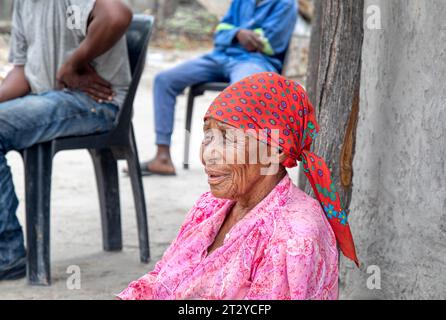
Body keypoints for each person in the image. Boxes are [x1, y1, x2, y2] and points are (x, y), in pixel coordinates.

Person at [117, 72, 359, 300]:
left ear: (274, 151)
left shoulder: (293, 238)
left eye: (228, 138)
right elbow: (162, 278)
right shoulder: (210, 206)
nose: (207, 154)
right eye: (208, 136)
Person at [0, 0, 132, 281]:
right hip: (45, 99)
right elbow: (23, 72)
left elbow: (117, 16)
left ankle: (6, 254)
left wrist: (74, 63)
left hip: (93, 101)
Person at [138, 0, 298, 176]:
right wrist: (238, 33)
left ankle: (239, 166)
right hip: (220, 57)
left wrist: (233, 33)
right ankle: (162, 157)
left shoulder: (286, 4)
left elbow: (269, 43)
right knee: (164, 80)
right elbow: (219, 32)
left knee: (243, 91)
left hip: (256, 61)